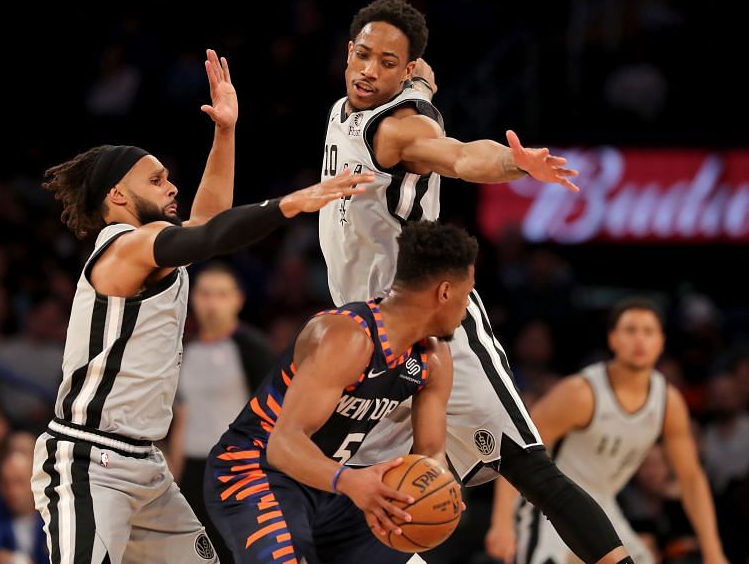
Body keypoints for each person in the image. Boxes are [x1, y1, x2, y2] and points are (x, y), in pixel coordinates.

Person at [318, 0, 636, 564]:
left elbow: (462, 156)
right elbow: (426, 88)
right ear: (348, 52)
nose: (369, 71)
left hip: (434, 324)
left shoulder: (398, 129)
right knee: (363, 495)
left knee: (528, 467)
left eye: (387, 63)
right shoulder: (355, 106)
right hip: (367, 335)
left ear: (406, 68)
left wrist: (517, 166)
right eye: (363, 56)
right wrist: (421, 82)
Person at [30, 48, 371, 564]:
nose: (171, 187)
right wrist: (290, 203)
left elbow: (208, 225)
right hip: (87, 459)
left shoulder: (158, 248)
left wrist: (226, 132)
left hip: (145, 464)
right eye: (156, 180)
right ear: (118, 195)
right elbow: (209, 235)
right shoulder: (124, 245)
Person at [204, 221, 474, 564]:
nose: (467, 307)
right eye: (468, 294)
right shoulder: (347, 337)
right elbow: (283, 444)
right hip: (254, 468)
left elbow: (430, 452)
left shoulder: (434, 359)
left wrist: (437, 490)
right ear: (445, 292)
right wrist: (350, 481)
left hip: (329, 481)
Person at [485, 297, 728, 564]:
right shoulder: (581, 392)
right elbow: (518, 451)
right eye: (630, 330)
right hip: (548, 505)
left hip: (603, 505)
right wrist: (501, 522)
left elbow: (691, 478)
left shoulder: (668, 402)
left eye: (648, 332)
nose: (639, 340)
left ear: (661, 342)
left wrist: (713, 551)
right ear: (613, 339)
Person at [168, 262, 277, 564]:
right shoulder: (184, 350)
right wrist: (173, 479)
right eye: (204, 294)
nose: (211, 303)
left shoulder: (252, 347)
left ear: (238, 299)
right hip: (192, 470)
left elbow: (276, 415)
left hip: (238, 471)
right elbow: (182, 416)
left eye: (221, 294)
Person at [0, 451, 49, 564]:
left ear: (35, 482)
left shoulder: (52, 515)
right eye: (5, 483)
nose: (11, 491)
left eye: (19, 482)